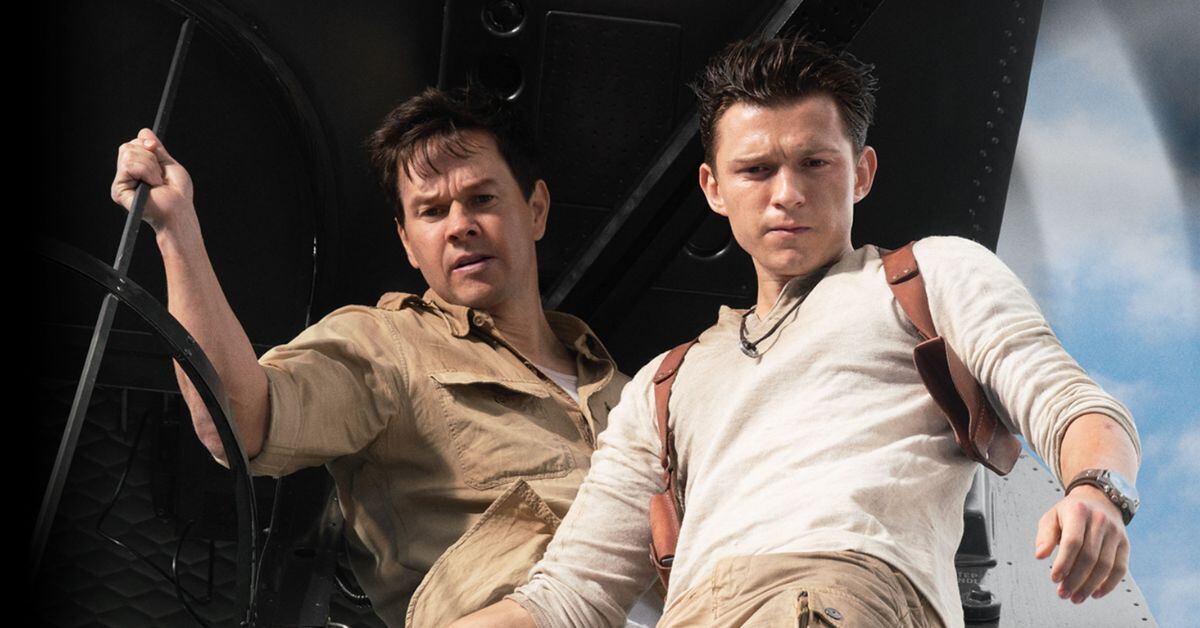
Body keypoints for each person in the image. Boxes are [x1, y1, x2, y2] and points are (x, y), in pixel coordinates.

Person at [453, 36, 1142, 628]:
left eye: (815, 163)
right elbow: (568, 596)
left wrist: (1096, 489)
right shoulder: (663, 385)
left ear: (861, 173)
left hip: (838, 594)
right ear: (713, 188)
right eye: (756, 170)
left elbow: (1070, 403)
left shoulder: (926, 277)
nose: (786, 193)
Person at [109, 87, 641, 627]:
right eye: (432, 211)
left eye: (482, 199)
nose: (460, 225)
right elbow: (239, 420)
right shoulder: (386, 346)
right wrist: (176, 229)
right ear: (407, 243)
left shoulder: (638, 393)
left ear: (536, 210)